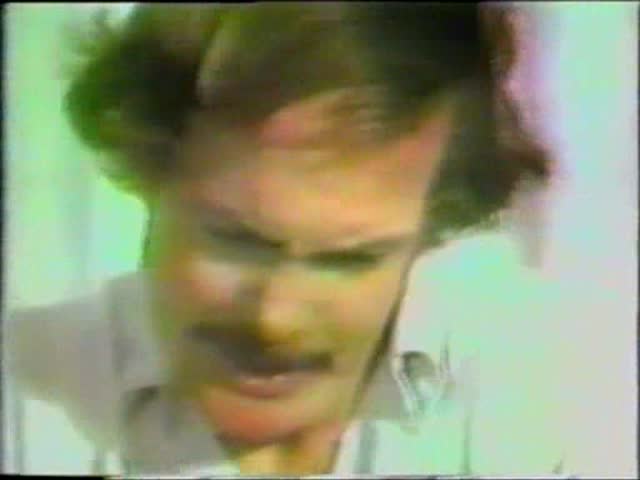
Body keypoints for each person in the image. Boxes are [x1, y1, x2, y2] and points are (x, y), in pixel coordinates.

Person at [7, 3, 573, 476]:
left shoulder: (511, 393)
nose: (275, 318)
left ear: (433, 227)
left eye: (349, 259)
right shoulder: (23, 398)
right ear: (151, 178)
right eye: (236, 240)